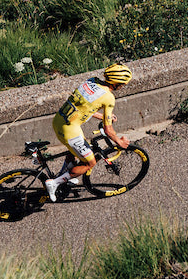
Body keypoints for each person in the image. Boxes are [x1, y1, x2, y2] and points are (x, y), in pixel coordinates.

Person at [43, 63, 133, 202]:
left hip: (59, 120)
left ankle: (65, 176)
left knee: (74, 151)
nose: (123, 87)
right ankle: (54, 183)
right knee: (89, 162)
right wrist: (119, 142)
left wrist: (103, 116)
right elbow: (108, 130)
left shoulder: (91, 81)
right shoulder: (109, 98)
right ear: (117, 84)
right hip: (70, 130)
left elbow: (84, 106)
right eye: (123, 84)